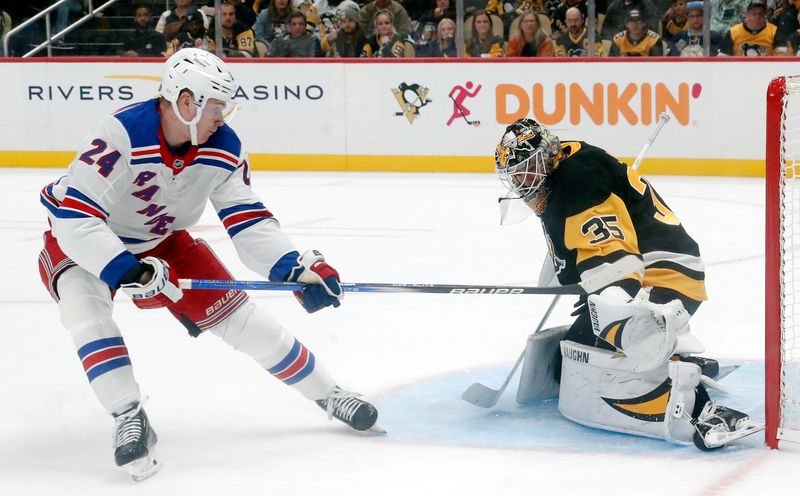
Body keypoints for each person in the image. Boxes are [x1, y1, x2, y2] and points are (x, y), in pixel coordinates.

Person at [36, 48, 379, 482]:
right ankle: (128, 414)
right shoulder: (120, 134)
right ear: (185, 101)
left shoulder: (224, 146)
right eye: (217, 107)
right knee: (84, 311)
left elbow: (248, 218)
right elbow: (77, 216)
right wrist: (126, 269)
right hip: (82, 236)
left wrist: (295, 267)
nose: (223, 117)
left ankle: (330, 394)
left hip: (160, 239)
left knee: (243, 321)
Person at [493, 117, 763, 450]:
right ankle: (675, 359)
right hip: (659, 265)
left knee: (605, 349)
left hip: (664, 276)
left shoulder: (576, 186)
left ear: (544, 156)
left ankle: (701, 407)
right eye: (515, 174)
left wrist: (611, 302)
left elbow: (620, 268)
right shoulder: (565, 163)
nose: (520, 182)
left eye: (525, 170)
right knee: (570, 363)